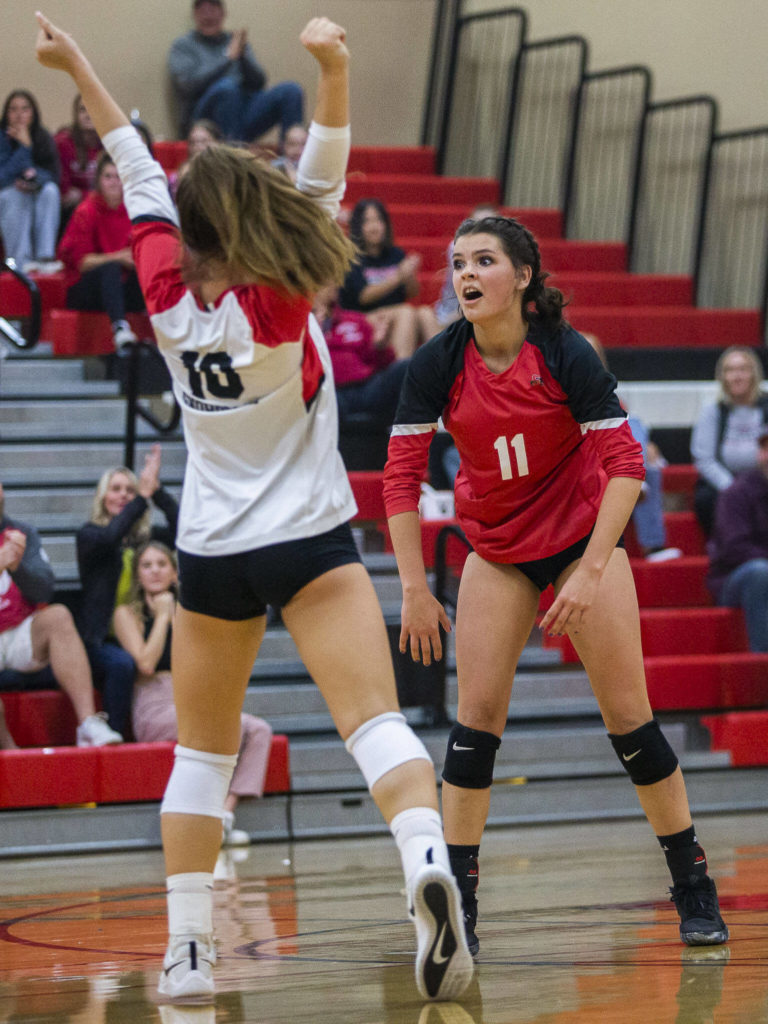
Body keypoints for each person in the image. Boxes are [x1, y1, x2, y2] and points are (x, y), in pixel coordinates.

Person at [36, 11, 472, 1006]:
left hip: (213, 555)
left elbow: (130, 158)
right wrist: (334, 68)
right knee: (376, 727)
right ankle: (423, 869)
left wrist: (82, 66)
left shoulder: (165, 294)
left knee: (200, 751)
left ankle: (188, 950)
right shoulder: (283, 297)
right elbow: (324, 164)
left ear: (189, 231)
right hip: (312, 542)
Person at [382, 214, 729, 958]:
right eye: (456, 263)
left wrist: (593, 569)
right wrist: (414, 586)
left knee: (632, 724)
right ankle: (460, 905)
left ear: (523, 278)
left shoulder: (565, 353)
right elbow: (401, 481)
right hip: (498, 550)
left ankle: (693, 885)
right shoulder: (439, 363)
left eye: (482, 261)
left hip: (579, 545)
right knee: (474, 729)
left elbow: (628, 469)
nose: (465, 275)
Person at [113, 541, 272, 845]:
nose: (155, 571)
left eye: (162, 564)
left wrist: (176, 614)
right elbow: (146, 663)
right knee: (221, 725)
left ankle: (223, 815)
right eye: (147, 565)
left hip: (192, 694)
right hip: (155, 704)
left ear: (174, 572)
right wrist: (161, 617)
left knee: (259, 729)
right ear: (138, 575)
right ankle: (208, 819)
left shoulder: (190, 611)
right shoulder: (126, 614)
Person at [0, 480, 123, 747]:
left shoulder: (20, 533)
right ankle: (11, 755)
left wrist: (18, 566)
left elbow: (44, 591)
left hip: (17, 632)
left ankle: (88, 724)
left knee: (58, 615)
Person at [76, 446, 178, 738]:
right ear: (102, 496)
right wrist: (141, 498)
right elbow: (111, 538)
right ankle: (112, 735)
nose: (123, 495)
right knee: (122, 664)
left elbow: (183, 528)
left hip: (139, 631)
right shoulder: (90, 536)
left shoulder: (146, 539)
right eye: (116, 489)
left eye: (130, 491)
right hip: (101, 640)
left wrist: (155, 491)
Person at [583, 333, 681, 562]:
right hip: (584, 458)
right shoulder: (557, 390)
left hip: (611, 455)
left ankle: (653, 546)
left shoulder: (607, 394)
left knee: (634, 424)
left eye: (593, 355)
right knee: (633, 427)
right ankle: (636, 476)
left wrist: (647, 445)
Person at [167, 0, 304, 143]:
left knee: (291, 91)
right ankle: (234, 152)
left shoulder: (234, 41)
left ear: (223, 14)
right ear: (195, 15)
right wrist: (227, 59)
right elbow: (187, 86)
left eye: (213, 10)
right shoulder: (183, 46)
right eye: (203, 11)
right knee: (227, 87)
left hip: (243, 113)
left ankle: (292, 157)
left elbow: (259, 83)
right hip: (204, 118)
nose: (208, 17)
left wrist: (242, 56)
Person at [58, 150, 146, 349]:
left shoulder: (135, 211)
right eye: (108, 177)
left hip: (122, 287)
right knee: (110, 268)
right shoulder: (86, 211)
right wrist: (119, 257)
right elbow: (82, 263)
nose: (114, 182)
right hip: (85, 289)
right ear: (98, 180)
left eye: (119, 177)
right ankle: (120, 327)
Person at [338, 197, 441, 356]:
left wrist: (409, 275)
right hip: (362, 317)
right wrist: (398, 277)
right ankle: (400, 375)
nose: (374, 227)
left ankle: (445, 373)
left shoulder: (395, 254)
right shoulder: (351, 257)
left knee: (425, 313)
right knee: (406, 312)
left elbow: (412, 293)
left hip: (395, 313)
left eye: (379, 220)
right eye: (367, 222)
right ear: (358, 226)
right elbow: (362, 297)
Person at [690, 345, 768, 535]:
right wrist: (733, 488)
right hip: (726, 482)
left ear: (754, 374)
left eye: (743, 369)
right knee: (705, 498)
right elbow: (704, 459)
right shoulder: (713, 411)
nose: (737, 376)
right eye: (730, 370)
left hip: (763, 479)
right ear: (722, 377)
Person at [312, 282, 410, 426]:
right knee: (322, 400)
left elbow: (382, 363)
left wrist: (380, 346)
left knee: (406, 366)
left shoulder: (355, 319)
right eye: (324, 284)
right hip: (331, 391)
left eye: (332, 284)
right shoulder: (304, 326)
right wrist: (313, 334)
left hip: (366, 387)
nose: (333, 287)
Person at [707, 426, 768, 652]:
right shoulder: (736, 493)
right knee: (760, 573)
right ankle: (762, 668)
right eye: (765, 447)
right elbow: (735, 550)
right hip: (734, 579)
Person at [0, 89, 61, 272]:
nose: (19, 114)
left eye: (25, 109)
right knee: (14, 195)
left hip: (34, 193)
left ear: (33, 113)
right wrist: (25, 147)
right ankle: (20, 261)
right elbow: (2, 177)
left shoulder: (43, 136)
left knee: (50, 191)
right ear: (6, 113)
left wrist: (34, 181)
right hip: (8, 196)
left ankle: (45, 258)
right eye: (13, 109)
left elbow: (53, 174)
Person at [54, 93, 103, 227]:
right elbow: (64, 192)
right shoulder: (63, 142)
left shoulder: (108, 143)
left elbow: (112, 190)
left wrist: (82, 194)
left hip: (101, 205)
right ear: (76, 114)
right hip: (71, 210)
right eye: (82, 110)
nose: (88, 115)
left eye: (93, 109)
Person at [168, 118, 222, 198]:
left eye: (204, 141)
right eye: (193, 142)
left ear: (218, 143)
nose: (198, 147)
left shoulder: (226, 170)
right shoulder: (183, 173)